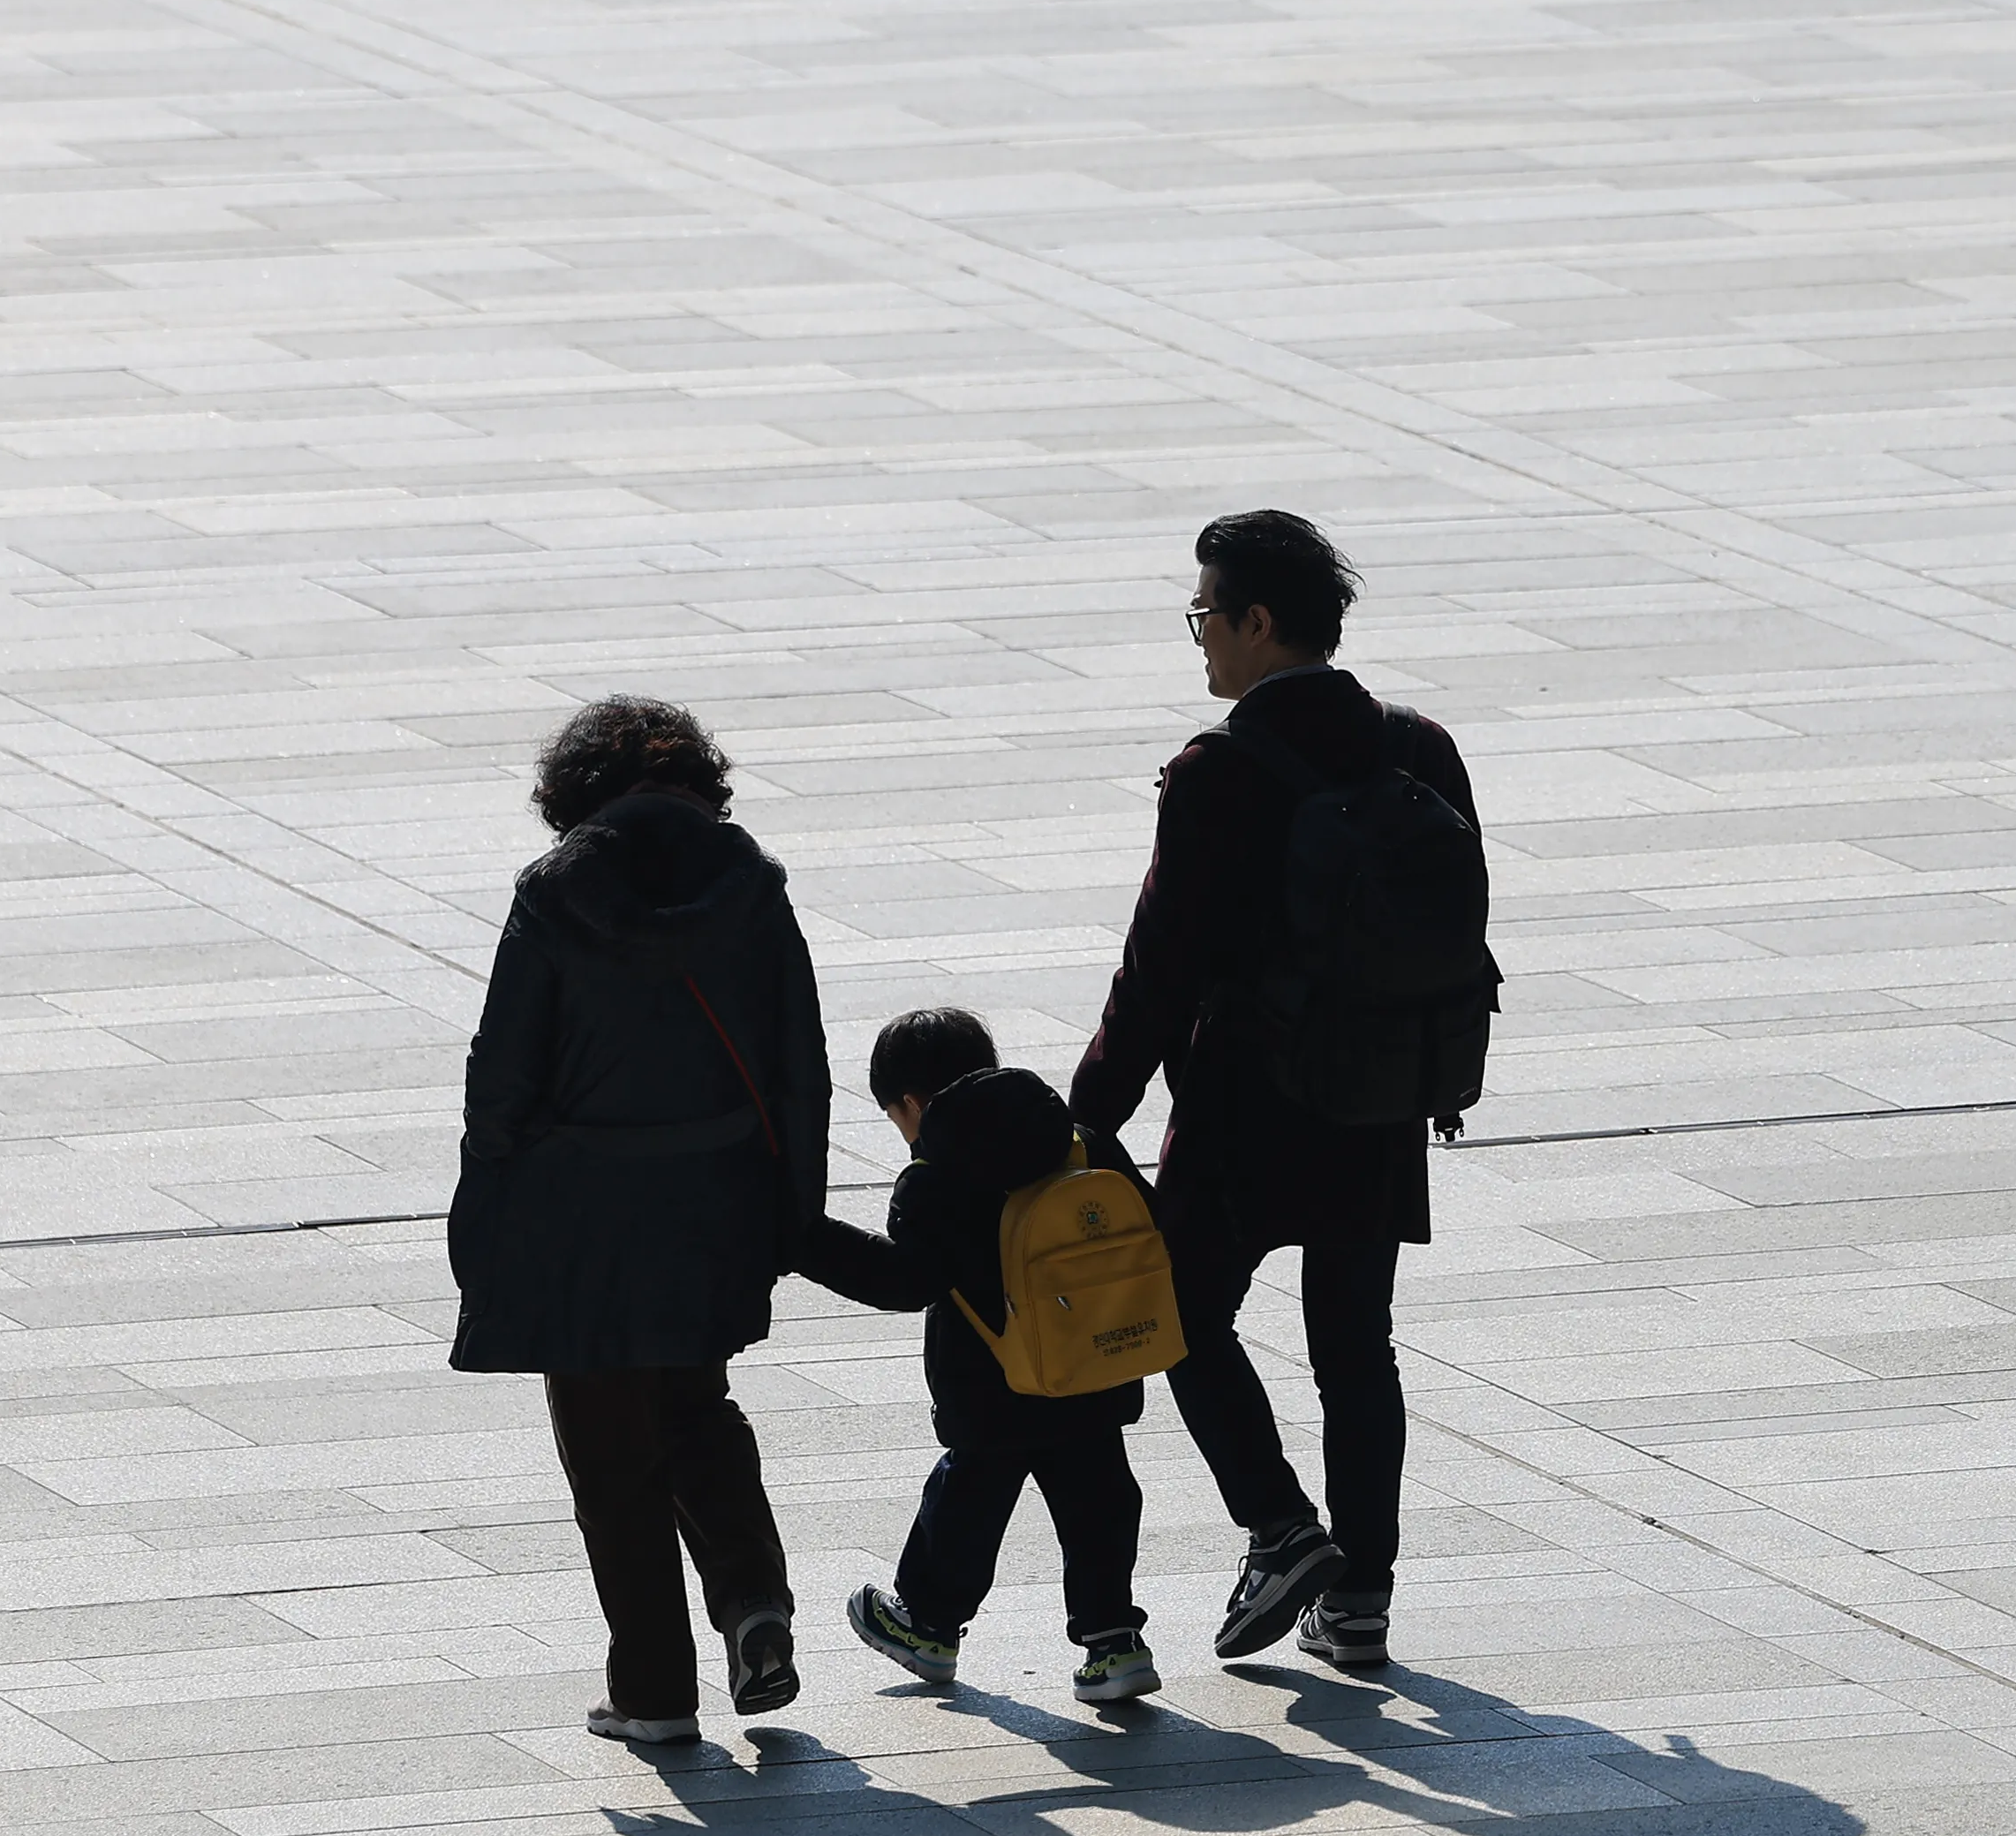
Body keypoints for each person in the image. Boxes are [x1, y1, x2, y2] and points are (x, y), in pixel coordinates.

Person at [1068, 510, 1479, 1668]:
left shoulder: (1219, 772)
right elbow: (1452, 929)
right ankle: (1362, 1602)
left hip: (1248, 1101)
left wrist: (1087, 1113)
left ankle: (1280, 1526)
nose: (1198, 640)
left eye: (1204, 615)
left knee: (1178, 1314)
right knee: (1356, 1345)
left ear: (1256, 622)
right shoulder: (1417, 746)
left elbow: (1160, 968)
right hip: (1382, 1088)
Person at [448, 697, 831, 1744]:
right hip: (715, 1196)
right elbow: (801, 1062)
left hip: (579, 1210)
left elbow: (502, 1077)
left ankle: (656, 1692)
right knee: (696, 1402)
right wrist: (794, 1208)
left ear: (573, 794)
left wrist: (482, 1218)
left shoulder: (556, 891)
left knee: (610, 1454)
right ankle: (754, 1598)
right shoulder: (749, 884)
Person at [795, 1008, 1161, 1704]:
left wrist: (805, 1242)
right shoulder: (1081, 1141)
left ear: (910, 1101)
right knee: (1100, 1501)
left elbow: (908, 1281)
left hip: (990, 1383)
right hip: (1094, 1366)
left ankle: (929, 1626)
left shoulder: (936, 1180)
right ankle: (1114, 1643)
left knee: (966, 1497)